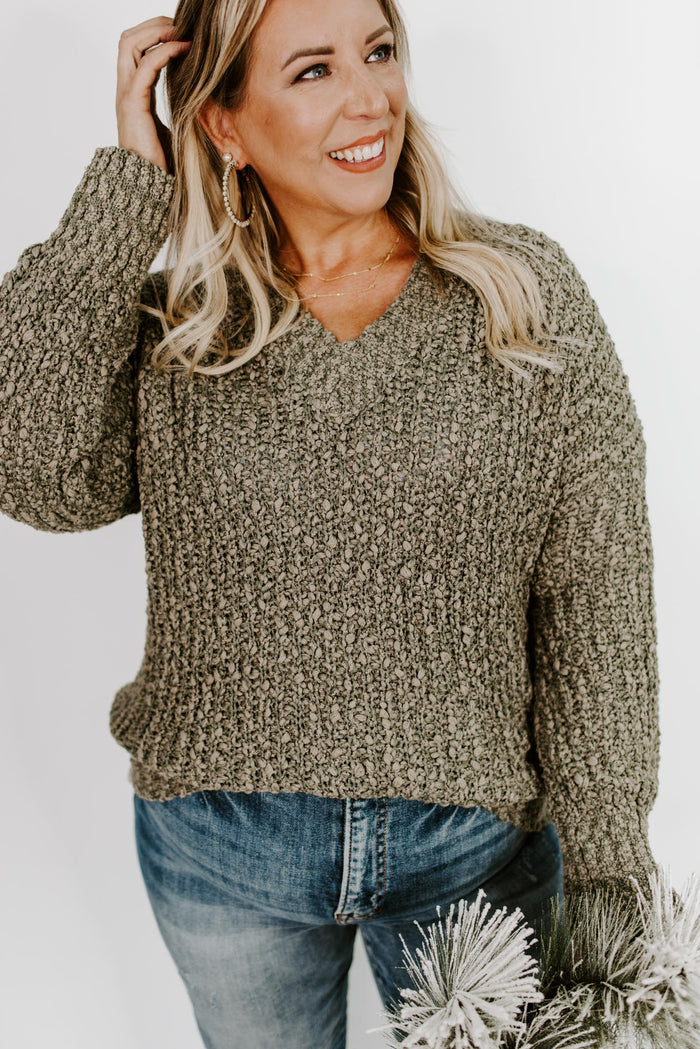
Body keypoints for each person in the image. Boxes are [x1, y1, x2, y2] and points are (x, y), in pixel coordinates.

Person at [0, 0, 660, 1047]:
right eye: (312, 70)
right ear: (223, 122)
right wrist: (127, 188)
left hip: (474, 858)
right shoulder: (180, 325)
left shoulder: (519, 292)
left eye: (378, 51)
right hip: (222, 853)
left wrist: (610, 859)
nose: (371, 98)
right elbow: (34, 472)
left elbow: (595, 587)